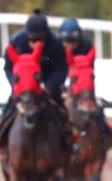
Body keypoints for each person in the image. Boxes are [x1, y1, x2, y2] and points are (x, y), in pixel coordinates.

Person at [0, 9, 71, 152]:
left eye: (40, 40)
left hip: (48, 80)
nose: (36, 43)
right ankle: (3, 144)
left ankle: (68, 143)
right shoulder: (17, 42)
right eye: (33, 40)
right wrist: (16, 84)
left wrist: (50, 87)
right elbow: (8, 67)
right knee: (8, 110)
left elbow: (61, 69)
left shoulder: (56, 44)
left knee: (61, 110)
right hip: (24, 84)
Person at [58, 17, 112, 151]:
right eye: (67, 42)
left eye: (72, 42)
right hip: (61, 78)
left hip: (81, 81)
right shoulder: (56, 46)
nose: (70, 45)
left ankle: (105, 132)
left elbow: (88, 71)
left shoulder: (86, 45)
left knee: (93, 106)